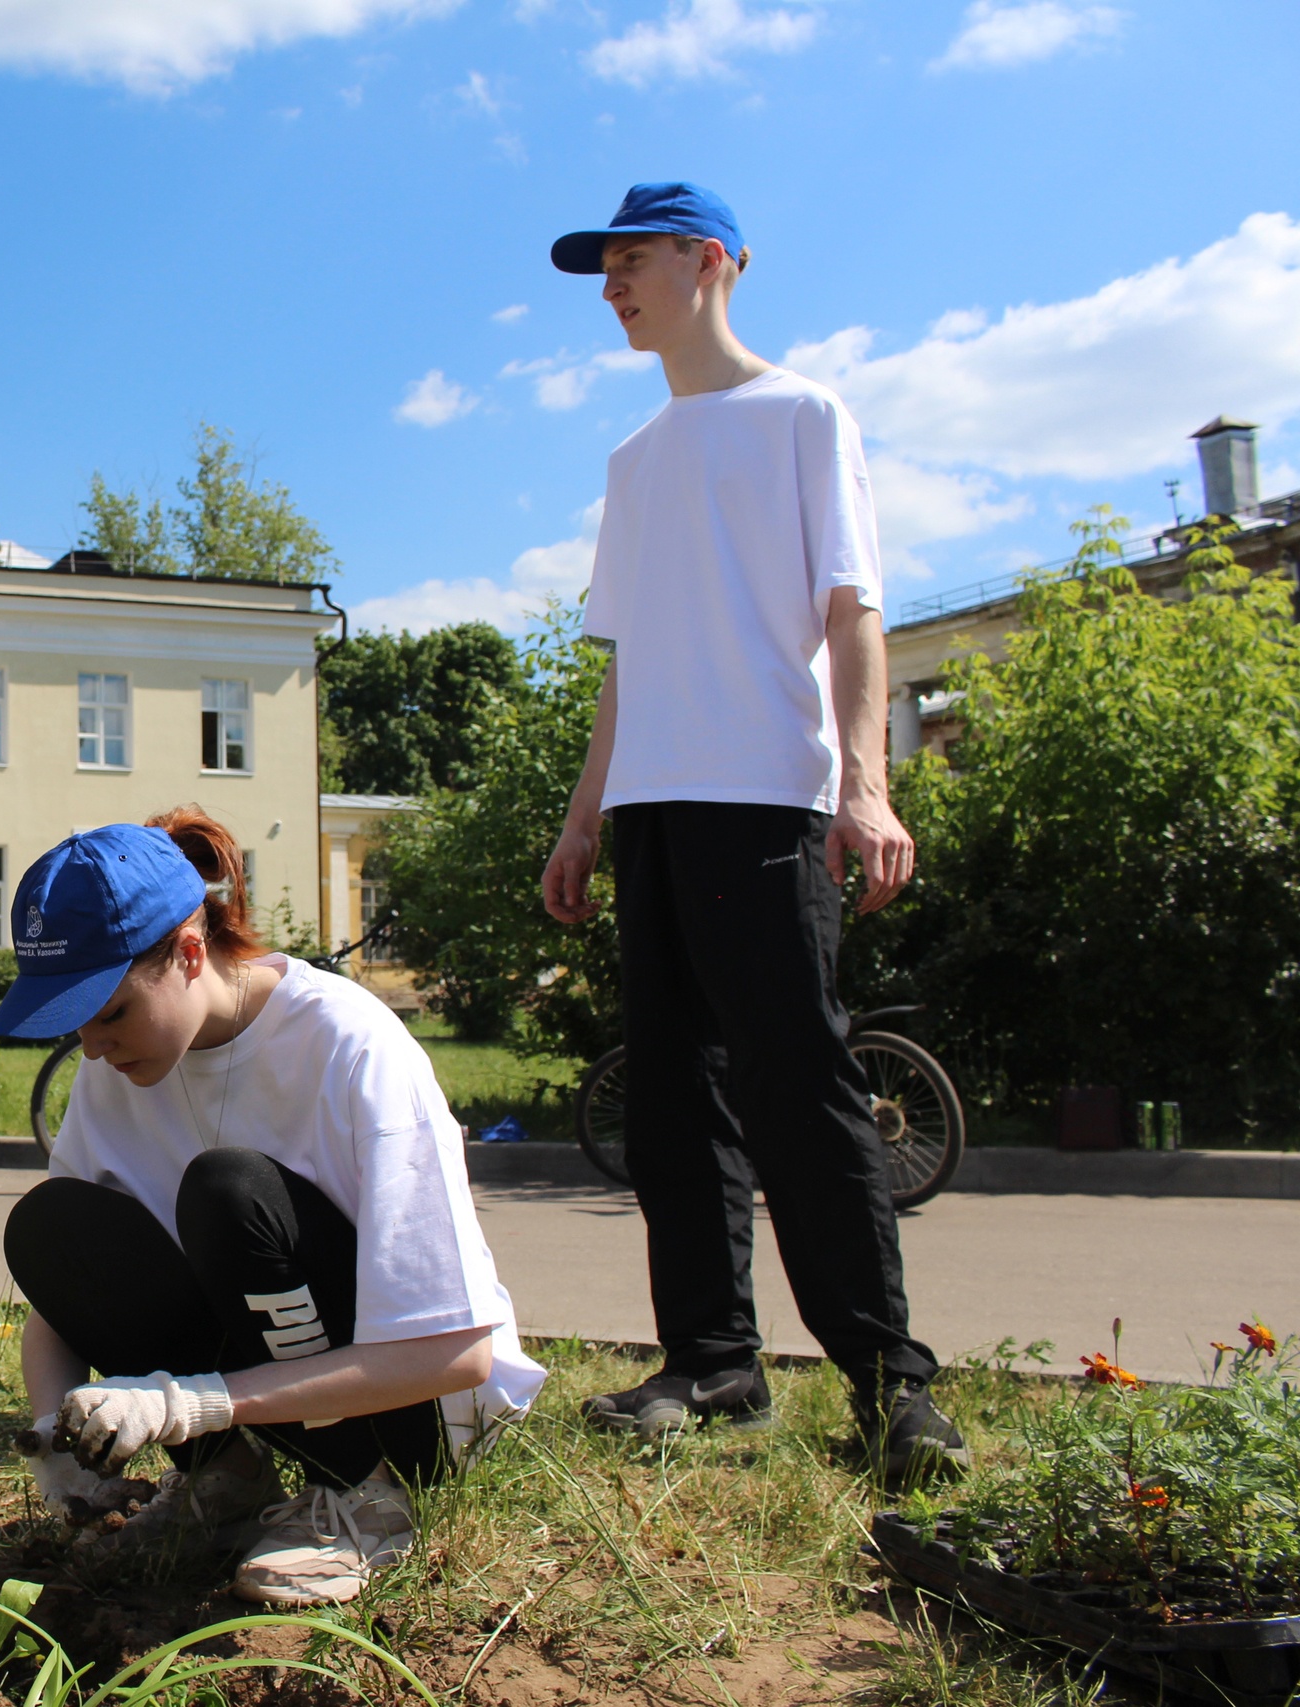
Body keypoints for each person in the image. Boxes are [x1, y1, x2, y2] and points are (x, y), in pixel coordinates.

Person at [536, 183, 964, 1478]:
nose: (612, 282)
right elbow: (625, 662)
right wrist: (582, 816)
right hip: (654, 810)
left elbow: (854, 613)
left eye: (631, 259)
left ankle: (893, 1381)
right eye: (600, 265)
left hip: (771, 798)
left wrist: (868, 784)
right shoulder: (634, 459)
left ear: (710, 260)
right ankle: (713, 1362)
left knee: (803, 1088)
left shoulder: (804, 414)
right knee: (673, 1099)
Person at [0, 810, 545, 1608]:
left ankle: (364, 1498)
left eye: (109, 1012)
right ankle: (229, 1484)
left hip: (417, 1415)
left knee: (230, 1193)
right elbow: (68, 1281)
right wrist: (55, 1440)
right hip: (277, 1378)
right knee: (50, 1220)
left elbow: (454, 1353)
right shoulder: (113, 1074)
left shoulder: (349, 1046)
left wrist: (192, 1401)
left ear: (188, 952)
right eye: (71, 1022)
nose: (94, 1046)